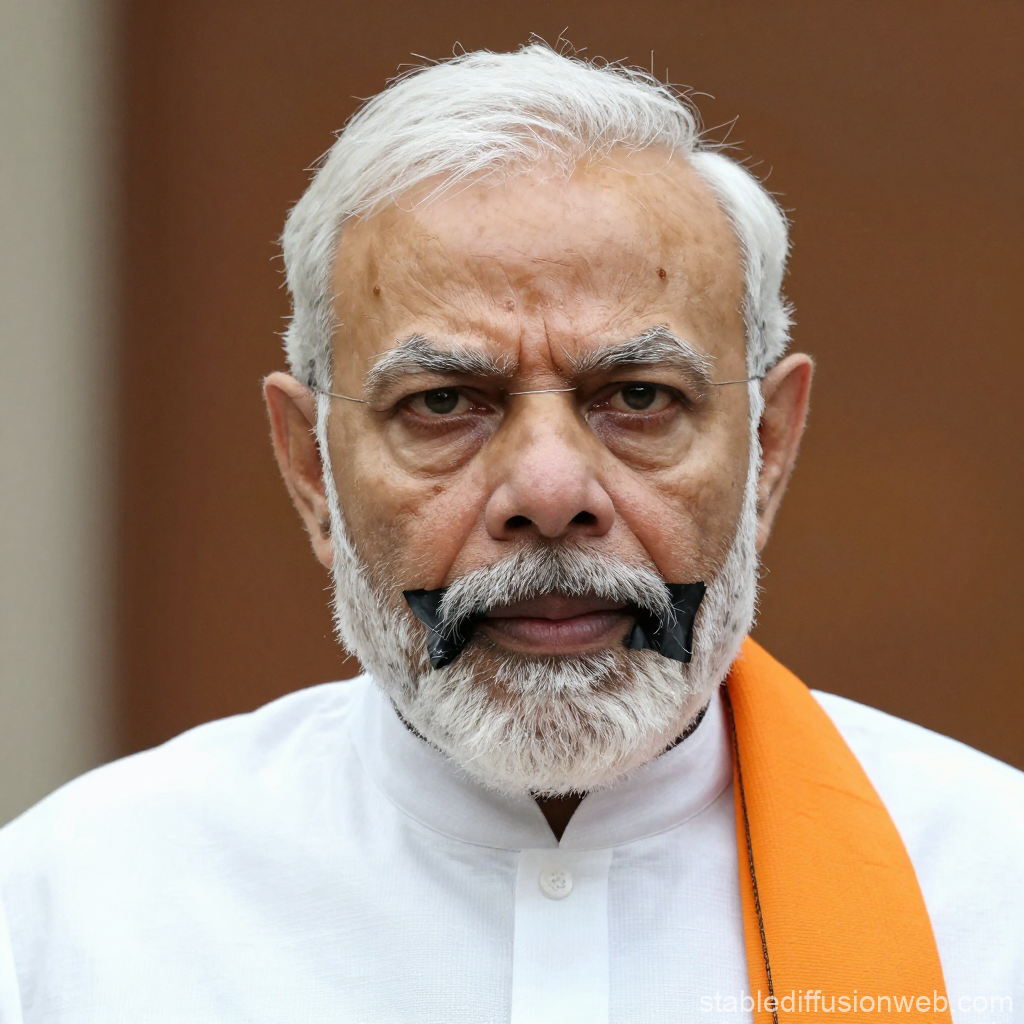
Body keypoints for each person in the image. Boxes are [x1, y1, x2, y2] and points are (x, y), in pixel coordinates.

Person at [0, 43, 1021, 1024]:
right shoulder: (74, 916)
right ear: (311, 468)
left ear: (769, 448)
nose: (547, 491)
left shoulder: (989, 898)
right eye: (444, 402)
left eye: (637, 395)